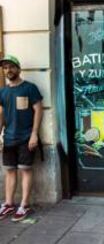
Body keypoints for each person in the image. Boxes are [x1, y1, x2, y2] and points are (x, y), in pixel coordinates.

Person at [0, 55, 43, 222]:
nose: (8, 70)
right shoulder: (3, 92)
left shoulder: (29, 88)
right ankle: (9, 203)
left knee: (25, 169)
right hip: (9, 138)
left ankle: (24, 205)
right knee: (10, 170)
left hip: (26, 137)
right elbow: (2, 113)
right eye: (5, 68)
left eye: (11, 67)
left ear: (18, 68)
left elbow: (39, 110)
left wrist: (34, 134)